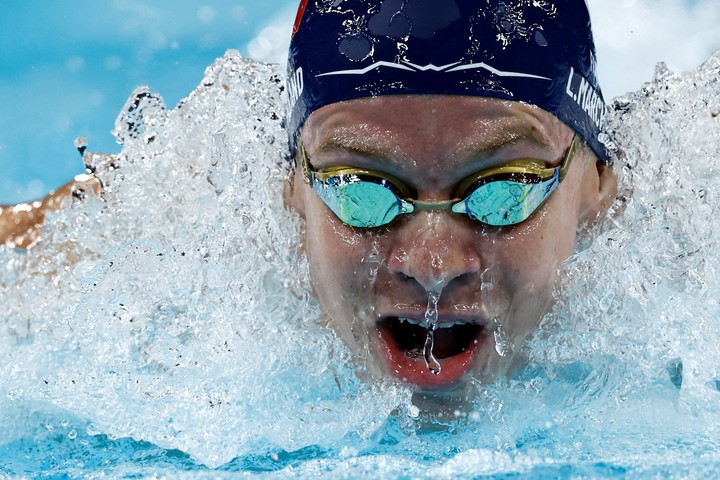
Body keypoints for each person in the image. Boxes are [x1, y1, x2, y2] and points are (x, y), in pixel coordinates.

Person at [1, 0, 617, 395]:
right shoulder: (191, 219)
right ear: (291, 187)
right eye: (363, 193)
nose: (433, 266)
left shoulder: (695, 221)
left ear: (598, 186)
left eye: (502, 192)